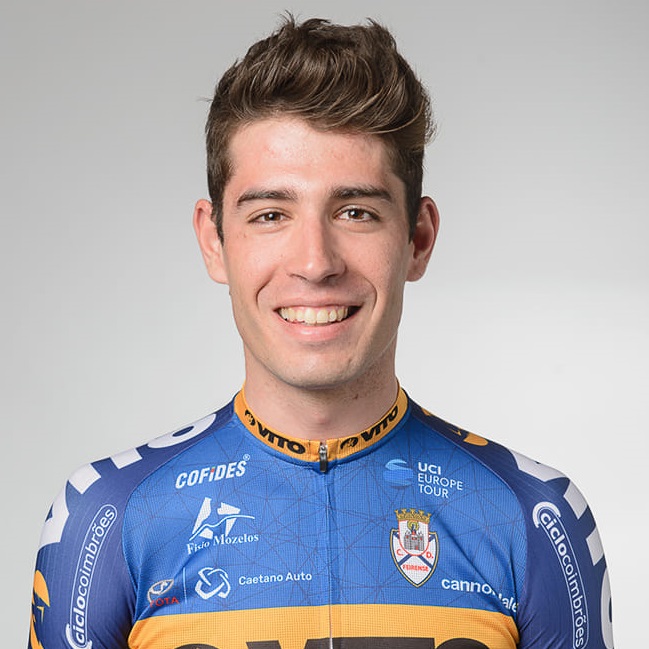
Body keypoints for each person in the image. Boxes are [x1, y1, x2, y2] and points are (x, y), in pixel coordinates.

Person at [28, 16, 613, 649]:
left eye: (355, 212)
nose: (315, 262)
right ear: (213, 241)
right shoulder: (106, 520)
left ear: (417, 239)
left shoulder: (535, 519)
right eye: (270, 214)